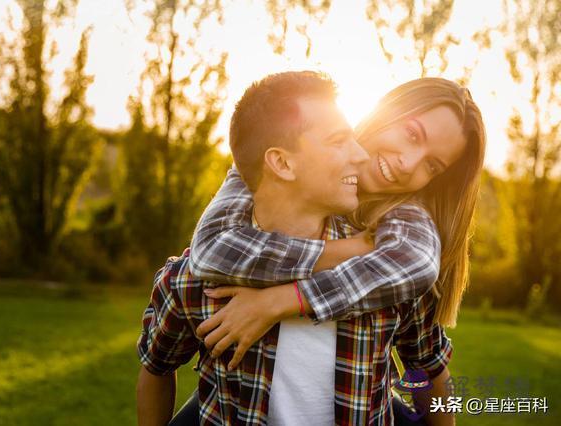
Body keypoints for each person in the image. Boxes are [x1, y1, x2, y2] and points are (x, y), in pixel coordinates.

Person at [137, 71, 485, 425]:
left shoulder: (398, 247)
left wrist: (283, 301)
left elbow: (427, 348)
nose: (408, 164)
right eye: (412, 134)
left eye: (432, 166)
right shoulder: (266, 167)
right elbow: (212, 250)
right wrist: (349, 250)